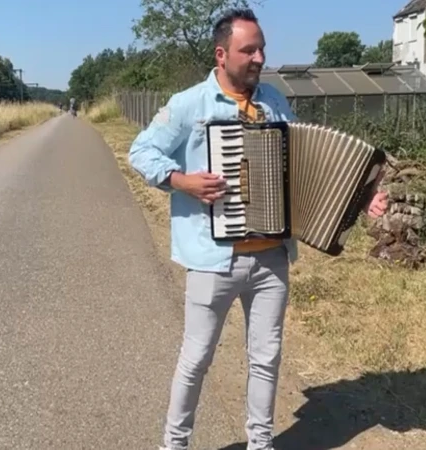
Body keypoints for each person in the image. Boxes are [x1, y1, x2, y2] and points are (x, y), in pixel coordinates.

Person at [127, 8, 388, 450]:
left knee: (266, 358)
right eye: (249, 50)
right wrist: (182, 181)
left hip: (272, 257)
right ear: (221, 53)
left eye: (262, 48)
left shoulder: (274, 102)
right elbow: (141, 150)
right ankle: (174, 444)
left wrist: (361, 199)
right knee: (197, 360)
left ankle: (260, 443)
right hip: (213, 258)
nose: (259, 57)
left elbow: (308, 165)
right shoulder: (191, 103)